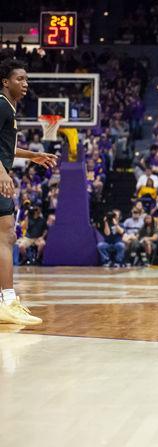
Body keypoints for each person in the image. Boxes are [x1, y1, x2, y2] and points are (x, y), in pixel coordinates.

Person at [0, 59, 57, 325]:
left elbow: (6, 149)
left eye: (26, 79)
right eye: (20, 79)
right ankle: (9, 301)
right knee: (6, 235)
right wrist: (2, 173)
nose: (25, 83)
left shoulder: (7, 108)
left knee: (5, 236)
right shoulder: (1, 105)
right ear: (5, 81)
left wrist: (33, 155)